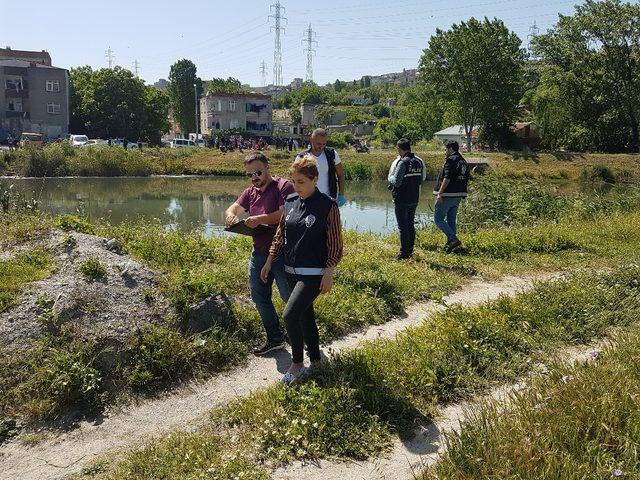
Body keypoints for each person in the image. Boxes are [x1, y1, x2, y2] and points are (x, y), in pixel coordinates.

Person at [261, 156, 343, 383]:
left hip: (314, 274)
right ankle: (316, 360)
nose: (296, 186)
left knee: (290, 315)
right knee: (306, 316)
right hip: (290, 271)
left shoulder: (328, 205)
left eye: (301, 182)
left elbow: (335, 242)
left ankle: (297, 364)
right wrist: (269, 260)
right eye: (294, 181)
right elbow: (280, 235)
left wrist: (329, 272)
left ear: (315, 179)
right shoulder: (290, 201)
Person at [225, 152, 295, 355]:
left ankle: (302, 334)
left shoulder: (283, 186)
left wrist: (259, 218)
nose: (254, 177)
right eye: (249, 174)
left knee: (289, 297)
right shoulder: (250, 192)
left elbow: (286, 213)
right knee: (259, 296)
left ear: (267, 167)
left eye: (257, 172)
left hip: (283, 251)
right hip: (259, 252)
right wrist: (231, 216)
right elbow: (235, 207)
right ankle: (275, 338)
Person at [387, 138, 426, 259]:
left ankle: (404, 253)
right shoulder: (418, 162)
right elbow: (420, 180)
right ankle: (410, 250)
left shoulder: (403, 162)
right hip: (414, 198)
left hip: (402, 198)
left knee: (403, 227)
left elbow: (397, 182)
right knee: (410, 224)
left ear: (399, 149)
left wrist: (390, 178)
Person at [433, 140, 469, 251]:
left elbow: (447, 177)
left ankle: (453, 239)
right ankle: (452, 245)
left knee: (438, 219)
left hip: (448, 194)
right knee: (451, 220)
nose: (444, 152)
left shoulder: (451, 160)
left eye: (445, 149)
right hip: (458, 194)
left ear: (450, 149)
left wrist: (440, 193)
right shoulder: (463, 161)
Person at [296, 128, 346, 206]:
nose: (321, 147)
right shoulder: (301, 157)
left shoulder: (332, 154)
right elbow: (295, 179)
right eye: (318, 144)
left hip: (328, 200)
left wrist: (341, 195)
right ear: (311, 139)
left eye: (324, 144)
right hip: (307, 201)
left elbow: (341, 175)